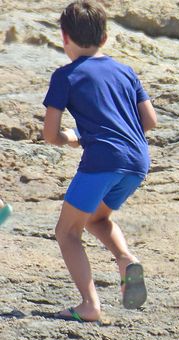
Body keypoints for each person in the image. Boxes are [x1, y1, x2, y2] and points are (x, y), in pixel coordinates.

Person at [43, 1, 157, 323]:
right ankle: (126, 259)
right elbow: (150, 121)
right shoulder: (126, 71)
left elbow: (50, 135)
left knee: (67, 232)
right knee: (97, 219)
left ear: (64, 37)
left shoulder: (65, 76)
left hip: (102, 162)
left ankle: (89, 305)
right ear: (105, 37)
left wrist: (71, 137)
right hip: (137, 161)